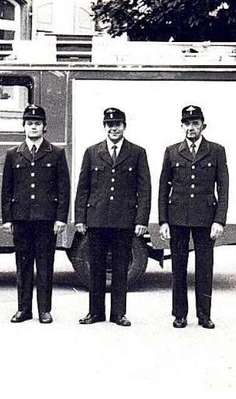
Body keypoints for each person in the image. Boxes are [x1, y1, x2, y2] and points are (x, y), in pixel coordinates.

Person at [75, 108, 151, 327]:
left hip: (124, 220)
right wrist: (80, 218)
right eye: (109, 125)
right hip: (97, 219)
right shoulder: (92, 152)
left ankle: (118, 313)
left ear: (124, 127)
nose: (113, 128)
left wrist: (141, 220)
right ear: (104, 127)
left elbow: (144, 189)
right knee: (96, 267)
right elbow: (83, 188)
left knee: (119, 268)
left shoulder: (137, 152)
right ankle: (95, 312)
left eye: (117, 124)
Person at [158, 105, 229, 330]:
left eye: (195, 123)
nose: (191, 127)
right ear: (182, 126)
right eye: (187, 123)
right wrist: (163, 221)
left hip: (206, 219)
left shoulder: (216, 150)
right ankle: (180, 314)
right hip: (177, 217)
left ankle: (204, 315)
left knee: (204, 267)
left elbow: (224, 188)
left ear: (203, 126)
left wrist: (219, 220)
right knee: (178, 268)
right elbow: (163, 188)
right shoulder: (172, 151)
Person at [1, 104, 71, 324]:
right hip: (21, 218)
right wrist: (7, 218)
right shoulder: (13, 154)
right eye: (29, 123)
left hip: (46, 219)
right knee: (22, 265)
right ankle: (23, 309)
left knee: (44, 264)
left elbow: (64, 188)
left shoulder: (56, 153)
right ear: (23, 127)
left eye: (37, 123)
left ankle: (44, 310)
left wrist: (61, 218)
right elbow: (7, 189)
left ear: (45, 127)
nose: (33, 127)